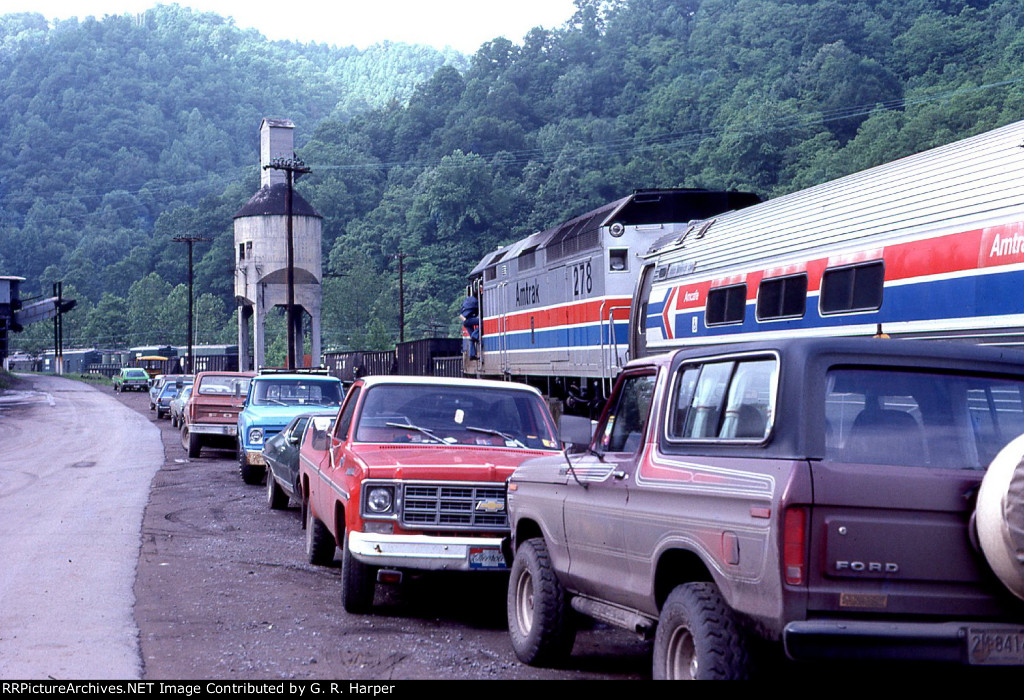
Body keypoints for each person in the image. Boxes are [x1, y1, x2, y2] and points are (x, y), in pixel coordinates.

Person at [460, 290, 480, 359]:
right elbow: (478, 310)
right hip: (468, 319)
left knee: (472, 338)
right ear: (478, 295)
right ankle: (475, 335)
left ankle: (472, 355)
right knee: (483, 322)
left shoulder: (467, 300)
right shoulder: (475, 301)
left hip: (463, 320)